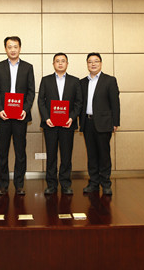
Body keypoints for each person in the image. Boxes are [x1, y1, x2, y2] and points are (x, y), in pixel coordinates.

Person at [0, 36, 35, 196]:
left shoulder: (28, 67)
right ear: (5, 49)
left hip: (20, 116)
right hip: (3, 116)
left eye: (15, 46)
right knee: (2, 151)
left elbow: (31, 91)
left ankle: (19, 185)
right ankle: (3, 185)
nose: (12, 50)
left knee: (20, 151)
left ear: (20, 48)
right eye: (9, 47)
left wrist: (25, 109)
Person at [37, 53, 82, 195]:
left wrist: (72, 118)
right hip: (50, 124)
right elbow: (41, 101)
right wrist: (46, 118)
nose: (60, 63)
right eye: (57, 61)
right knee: (51, 156)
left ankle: (65, 184)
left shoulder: (75, 81)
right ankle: (51, 185)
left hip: (67, 124)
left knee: (66, 156)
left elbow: (79, 102)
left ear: (67, 64)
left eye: (63, 61)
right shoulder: (46, 80)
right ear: (53, 64)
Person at [79, 52, 120, 195]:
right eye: (90, 62)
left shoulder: (109, 80)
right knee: (91, 155)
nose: (93, 64)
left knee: (104, 155)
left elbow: (115, 103)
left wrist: (115, 122)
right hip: (87, 122)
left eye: (96, 61)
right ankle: (94, 183)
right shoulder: (82, 82)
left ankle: (106, 184)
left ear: (101, 63)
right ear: (87, 64)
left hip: (104, 123)